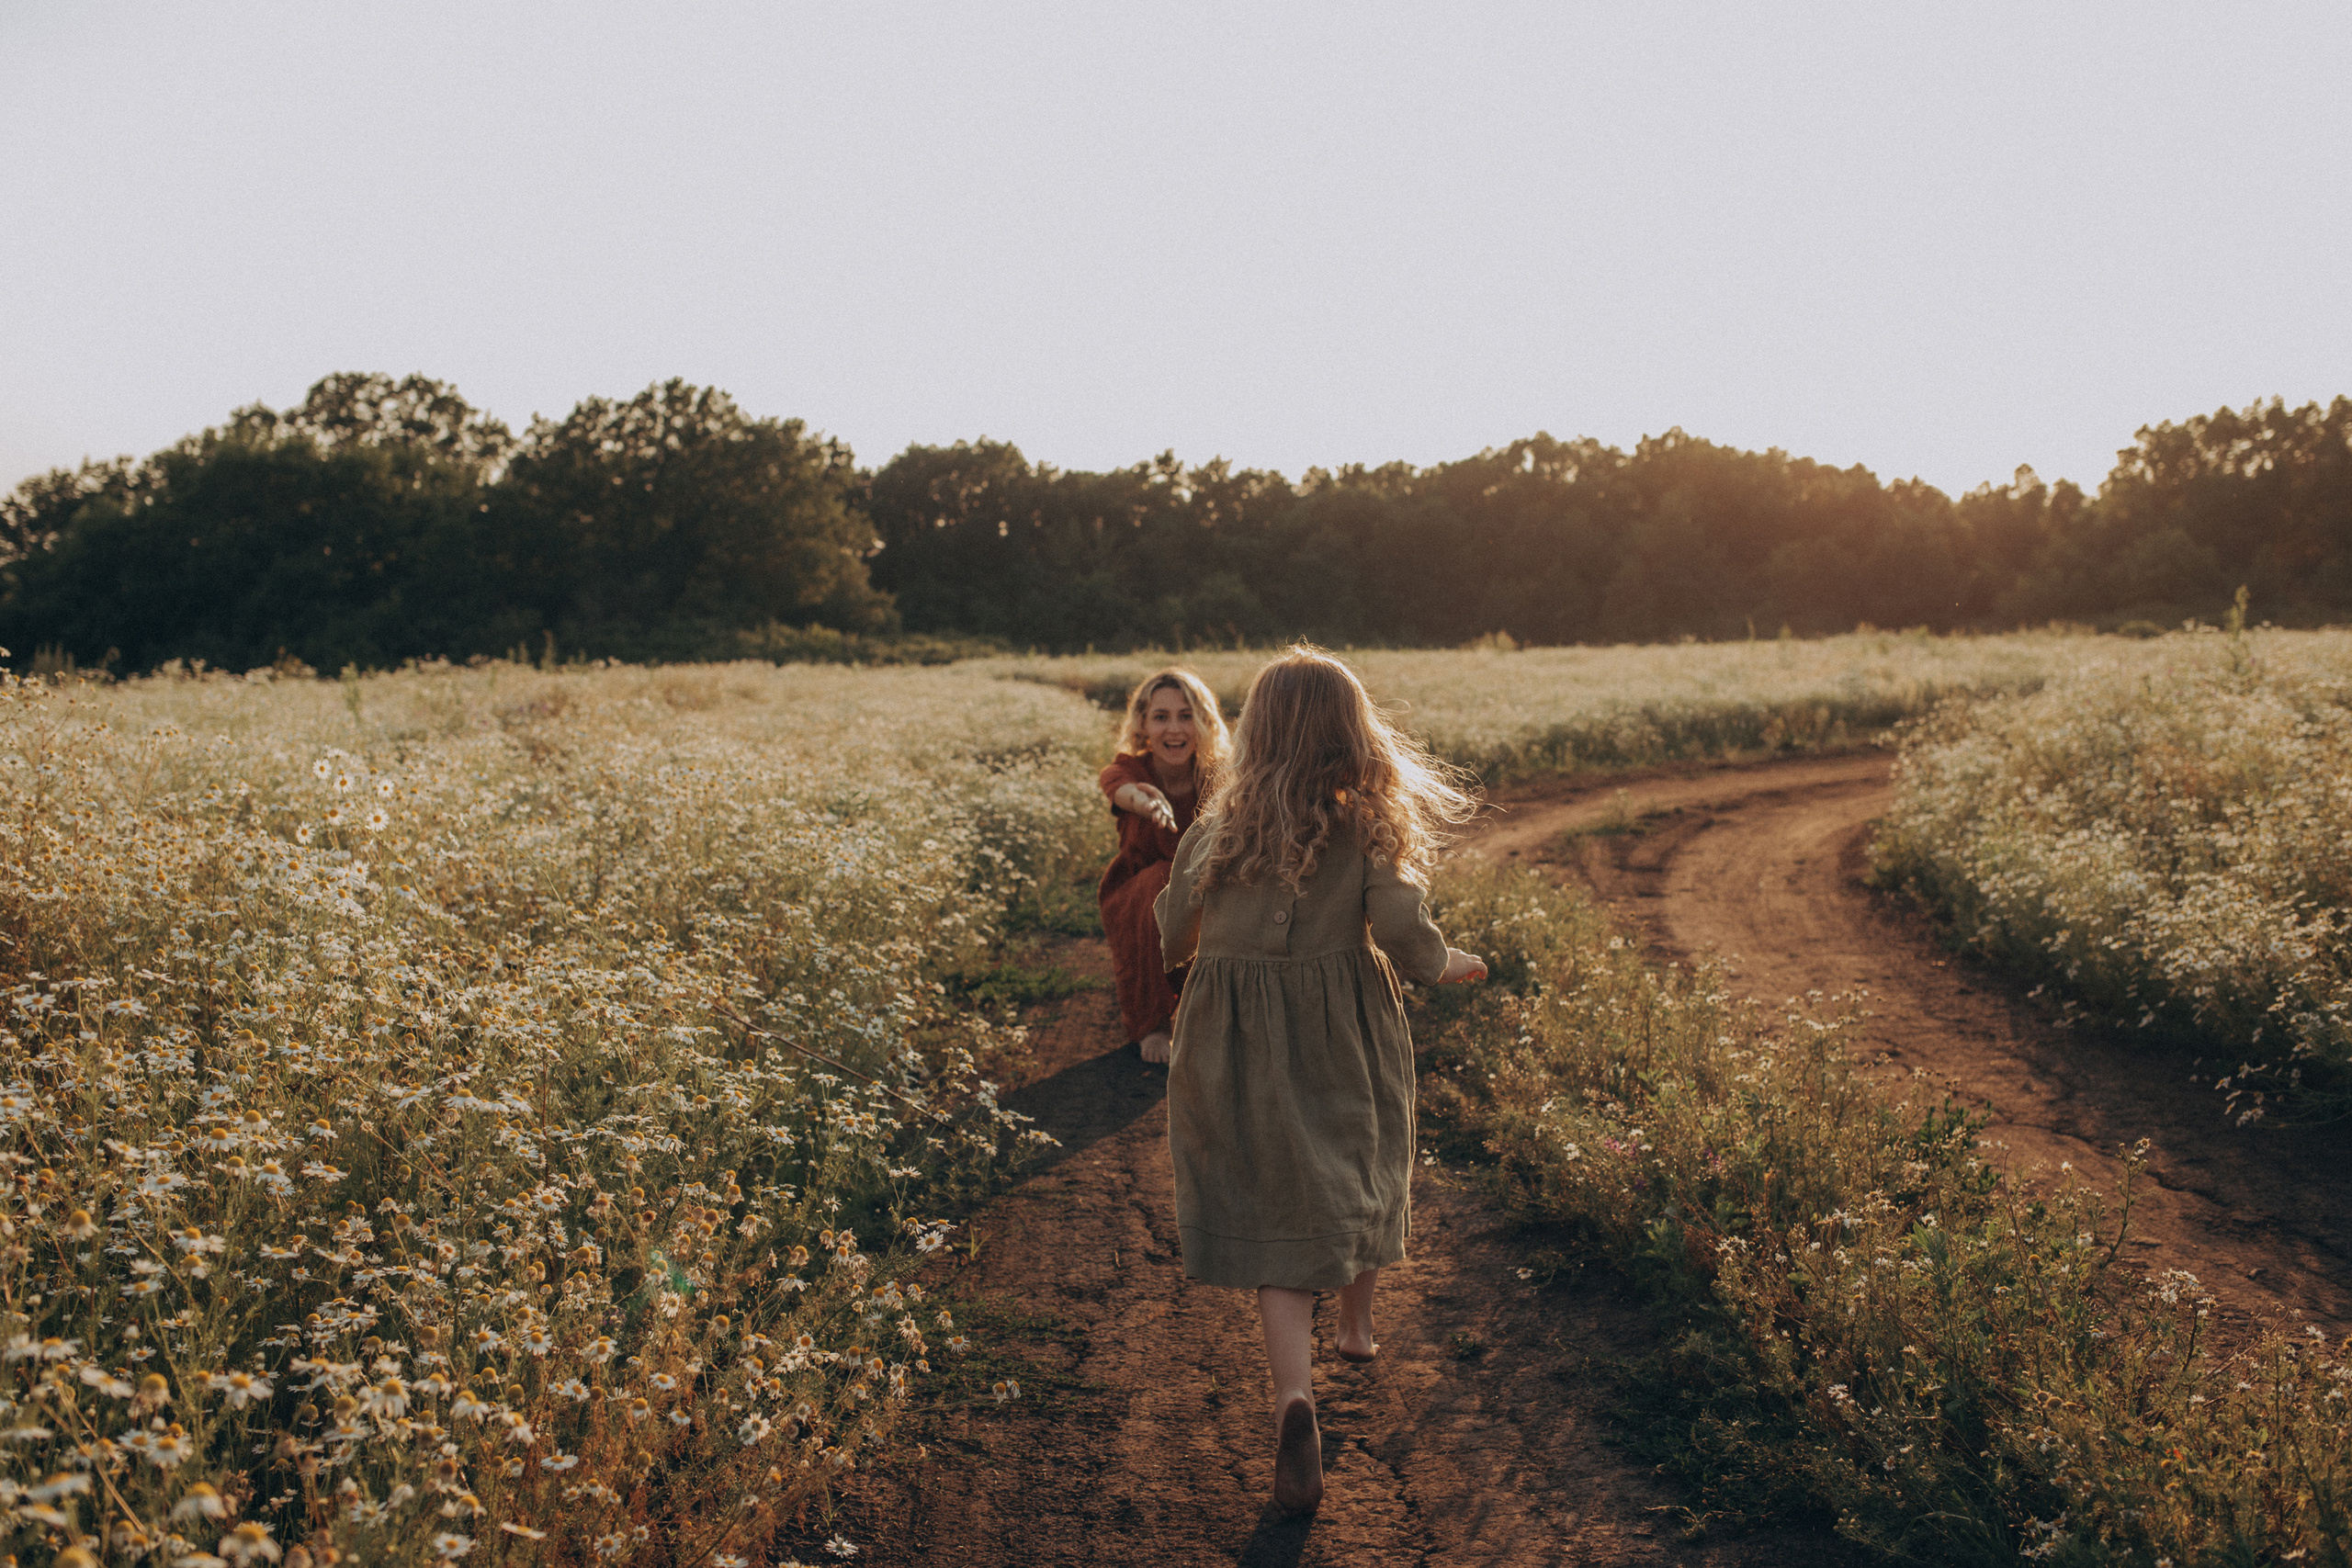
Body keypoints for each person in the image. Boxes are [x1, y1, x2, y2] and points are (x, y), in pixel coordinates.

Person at [1154, 646, 1487, 1514]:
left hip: (1232, 1036)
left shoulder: (1220, 823)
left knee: (1278, 1208)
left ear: (1256, 732)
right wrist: (1442, 962)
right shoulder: (1366, 819)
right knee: (1360, 1162)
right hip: (1342, 1026)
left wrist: (1202, 957)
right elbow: (1402, 924)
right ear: (1353, 731)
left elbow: (1173, 924)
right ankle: (1356, 1325)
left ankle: (1293, 1398)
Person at [1097, 667, 1231, 1065]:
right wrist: (1145, 801)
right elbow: (1120, 789)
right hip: (1139, 888)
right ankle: (1154, 1023)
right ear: (1143, 724)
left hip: (1205, 880)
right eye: (1161, 717)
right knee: (1161, 882)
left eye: (1186, 716)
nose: (1174, 728)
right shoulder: (1129, 770)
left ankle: (1224, 1011)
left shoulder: (1217, 774)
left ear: (1203, 721)